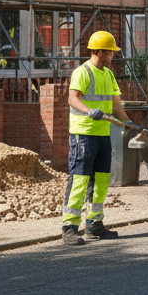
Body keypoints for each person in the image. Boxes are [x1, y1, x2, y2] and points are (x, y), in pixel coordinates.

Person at [61, 30, 133, 245]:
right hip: (83, 135)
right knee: (79, 181)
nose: (113, 56)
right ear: (99, 52)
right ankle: (70, 228)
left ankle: (94, 225)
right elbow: (72, 99)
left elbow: (116, 106)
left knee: (101, 181)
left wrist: (129, 124)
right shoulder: (82, 72)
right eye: (110, 53)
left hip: (103, 135)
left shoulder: (108, 75)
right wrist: (87, 110)